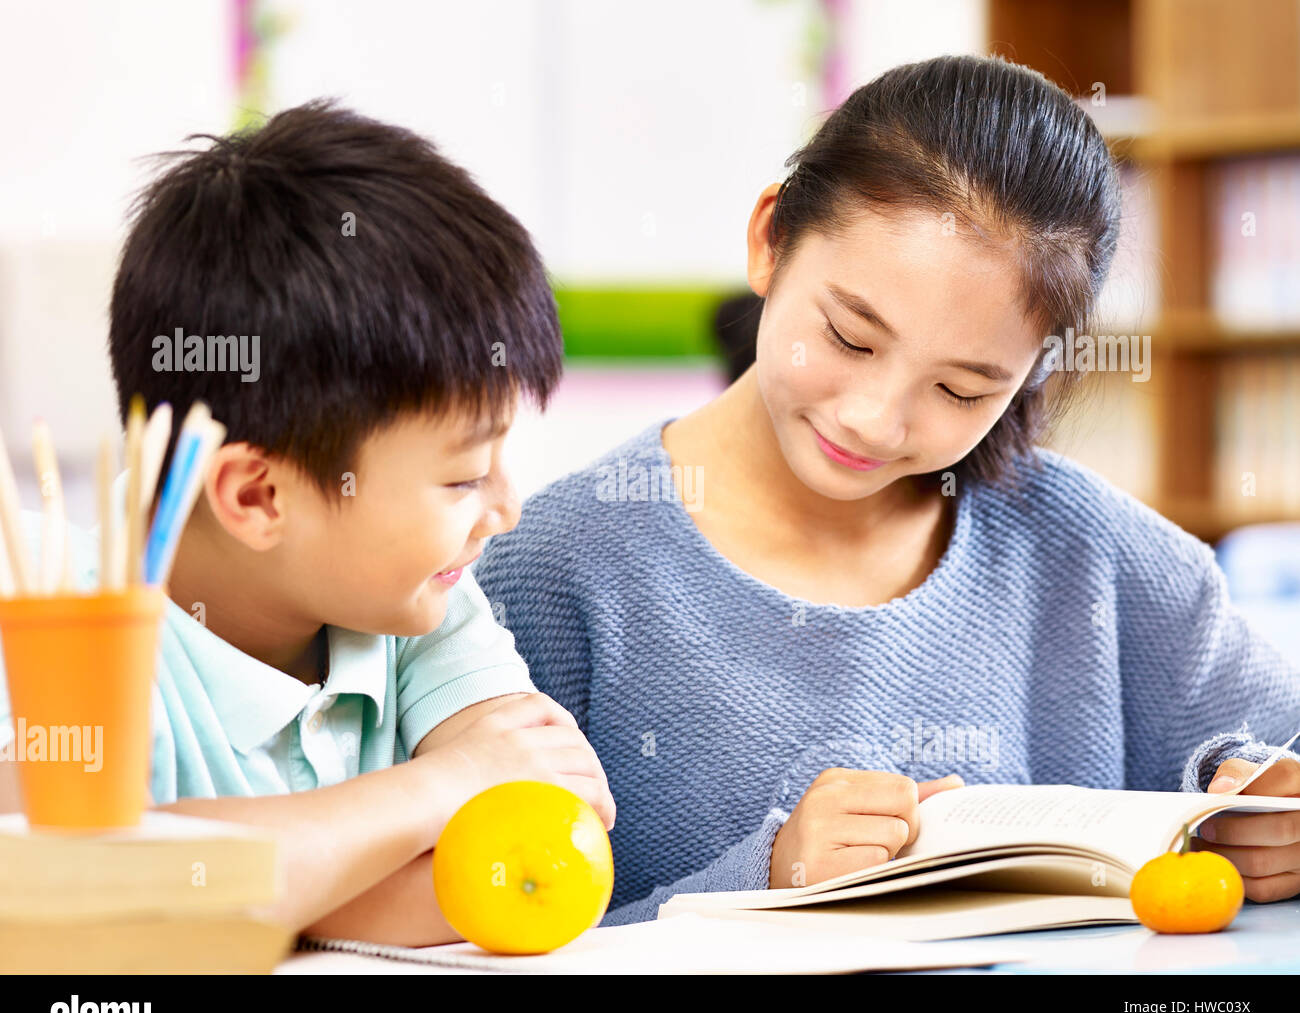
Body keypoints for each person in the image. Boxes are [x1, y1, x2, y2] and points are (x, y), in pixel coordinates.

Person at [474, 54, 1300, 926]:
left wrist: (1271, 811)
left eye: (961, 390)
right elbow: (474, 931)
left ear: (1029, 378)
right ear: (770, 239)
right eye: (849, 337)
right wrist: (762, 878)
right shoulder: (552, 575)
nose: (874, 420)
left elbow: (1274, 752)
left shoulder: (1103, 558)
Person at [0, 101, 614, 946]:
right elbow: (61, 903)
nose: (503, 509)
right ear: (256, 496)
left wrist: (245, 884)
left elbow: (551, 847)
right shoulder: (50, 611)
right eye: (464, 476)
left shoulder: (421, 596)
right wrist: (449, 785)